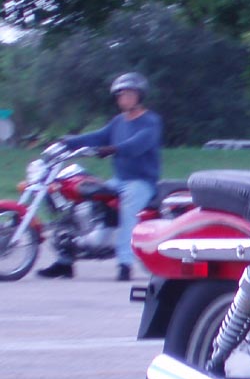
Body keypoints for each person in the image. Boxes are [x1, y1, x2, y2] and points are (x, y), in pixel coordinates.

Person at [38, 72, 162, 282]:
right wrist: (66, 142)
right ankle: (65, 261)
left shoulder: (151, 121)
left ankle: (124, 264)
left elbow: (138, 145)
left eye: (129, 94)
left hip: (140, 182)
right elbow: (97, 136)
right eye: (120, 95)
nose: (124, 98)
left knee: (129, 213)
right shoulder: (118, 121)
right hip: (118, 180)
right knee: (78, 201)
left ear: (139, 96)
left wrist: (111, 149)